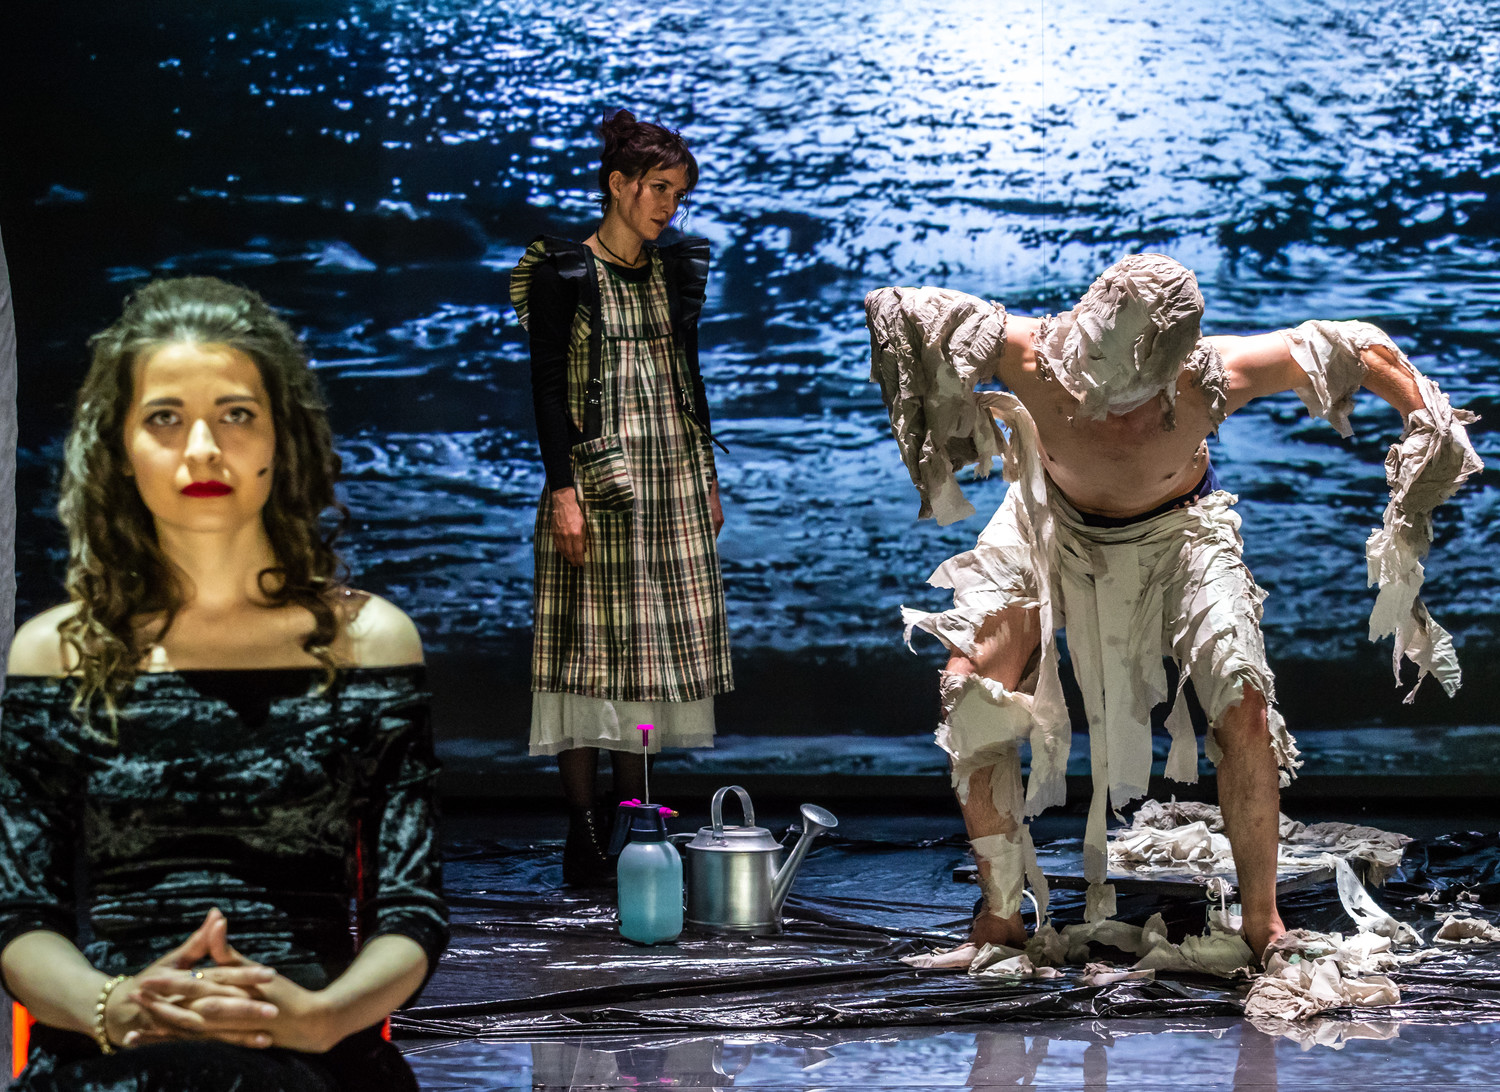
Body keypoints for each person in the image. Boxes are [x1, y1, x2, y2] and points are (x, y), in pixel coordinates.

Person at [866, 255, 1481, 961]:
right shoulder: (1031, 355)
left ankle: (1262, 922)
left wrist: (1425, 418)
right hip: (1048, 520)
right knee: (970, 694)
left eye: (1130, 387)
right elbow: (900, 307)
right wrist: (936, 408)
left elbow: (1351, 346)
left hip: (1180, 532)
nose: (1111, 402)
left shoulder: (1209, 376)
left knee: (1245, 704)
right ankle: (1002, 916)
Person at [0, 277, 448, 1089]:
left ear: (282, 436)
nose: (203, 448)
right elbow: (21, 915)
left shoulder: (369, 642)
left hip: (314, 1054)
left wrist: (322, 1017)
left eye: (236, 414)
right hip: (112, 1058)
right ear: (120, 446)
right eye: (164, 418)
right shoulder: (54, 652)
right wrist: (113, 1006)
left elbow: (411, 910)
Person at [510, 111, 732, 884]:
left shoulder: (672, 272)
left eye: (678, 193)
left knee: (646, 661)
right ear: (618, 184)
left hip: (668, 478)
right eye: (659, 188)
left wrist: (707, 477)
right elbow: (545, 389)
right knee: (583, 658)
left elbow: (688, 379)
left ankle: (634, 824)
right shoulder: (564, 272)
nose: (669, 205)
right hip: (598, 482)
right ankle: (583, 833)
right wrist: (562, 492)